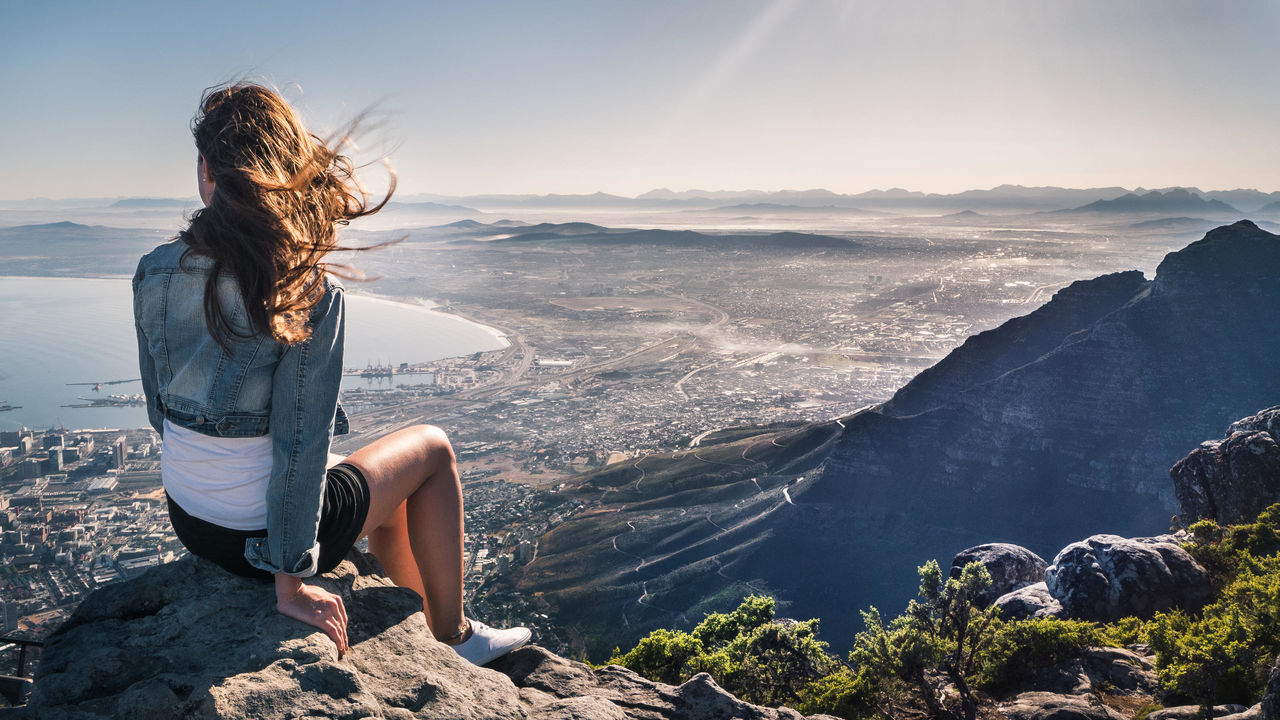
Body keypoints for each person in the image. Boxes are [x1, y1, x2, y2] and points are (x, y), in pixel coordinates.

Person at [132, 82, 529, 665]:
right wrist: (290, 583)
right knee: (433, 451)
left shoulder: (152, 271)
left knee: (383, 493)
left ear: (206, 171)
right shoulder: (298, 287)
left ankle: (423, 625)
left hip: (191, 519)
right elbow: (300, 443)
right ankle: (452, 638)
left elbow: (158, 409)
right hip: (256, 539)